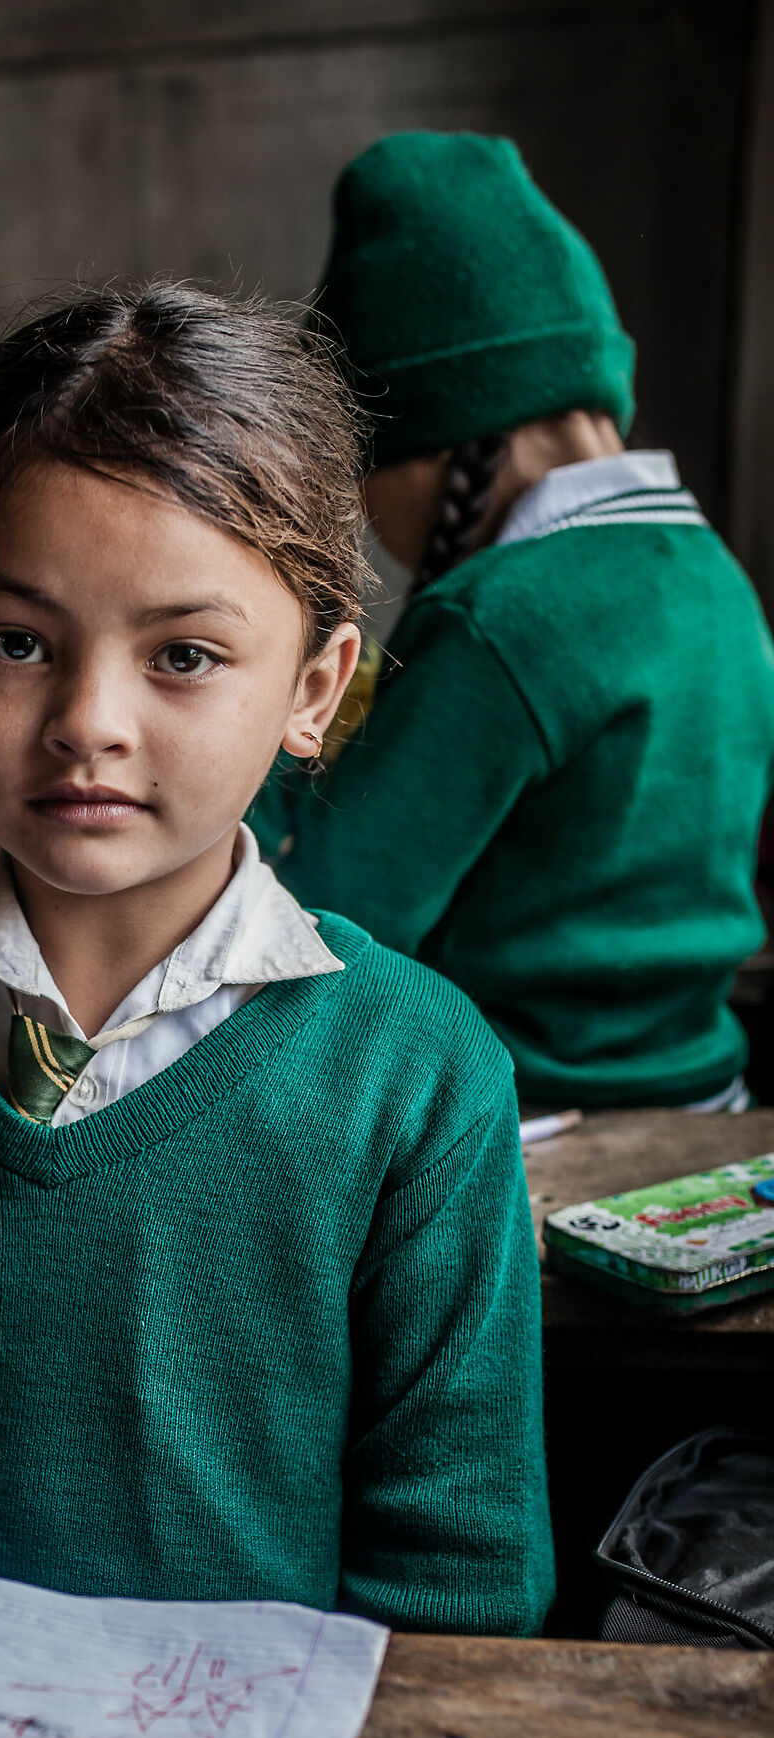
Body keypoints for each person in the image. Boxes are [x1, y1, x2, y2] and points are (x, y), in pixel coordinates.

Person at [0, 281, 553, 1638]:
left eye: (185, 655)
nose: (89, 722)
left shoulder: (418, 1078)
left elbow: (457, 1582)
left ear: (313, 691)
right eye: (16, 643)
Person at [253, 131, 774, 1114]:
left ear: (434, 440)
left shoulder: (505, 616)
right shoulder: (715, 580)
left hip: (528, 1117)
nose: (367, 517)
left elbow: (322, 917)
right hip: (708, 1094)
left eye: (362, 475)